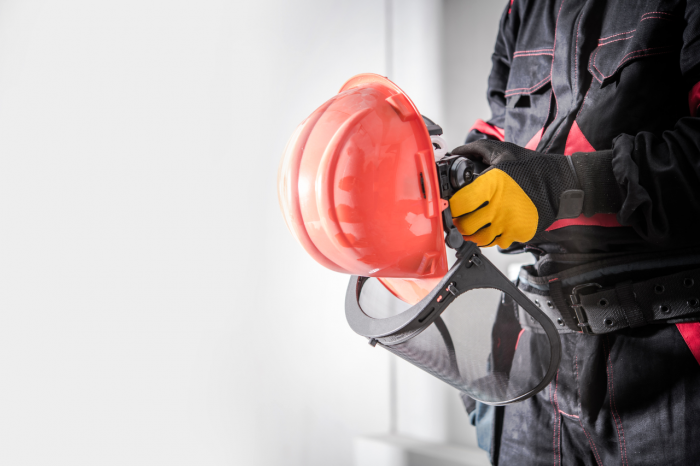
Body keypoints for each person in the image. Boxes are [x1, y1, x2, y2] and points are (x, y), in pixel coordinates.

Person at [450, 1, 700, 464]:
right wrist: (449, 181)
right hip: (535, 362)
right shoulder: (523, 9)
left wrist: (562, 186)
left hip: (669, 362)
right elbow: (499, 131)